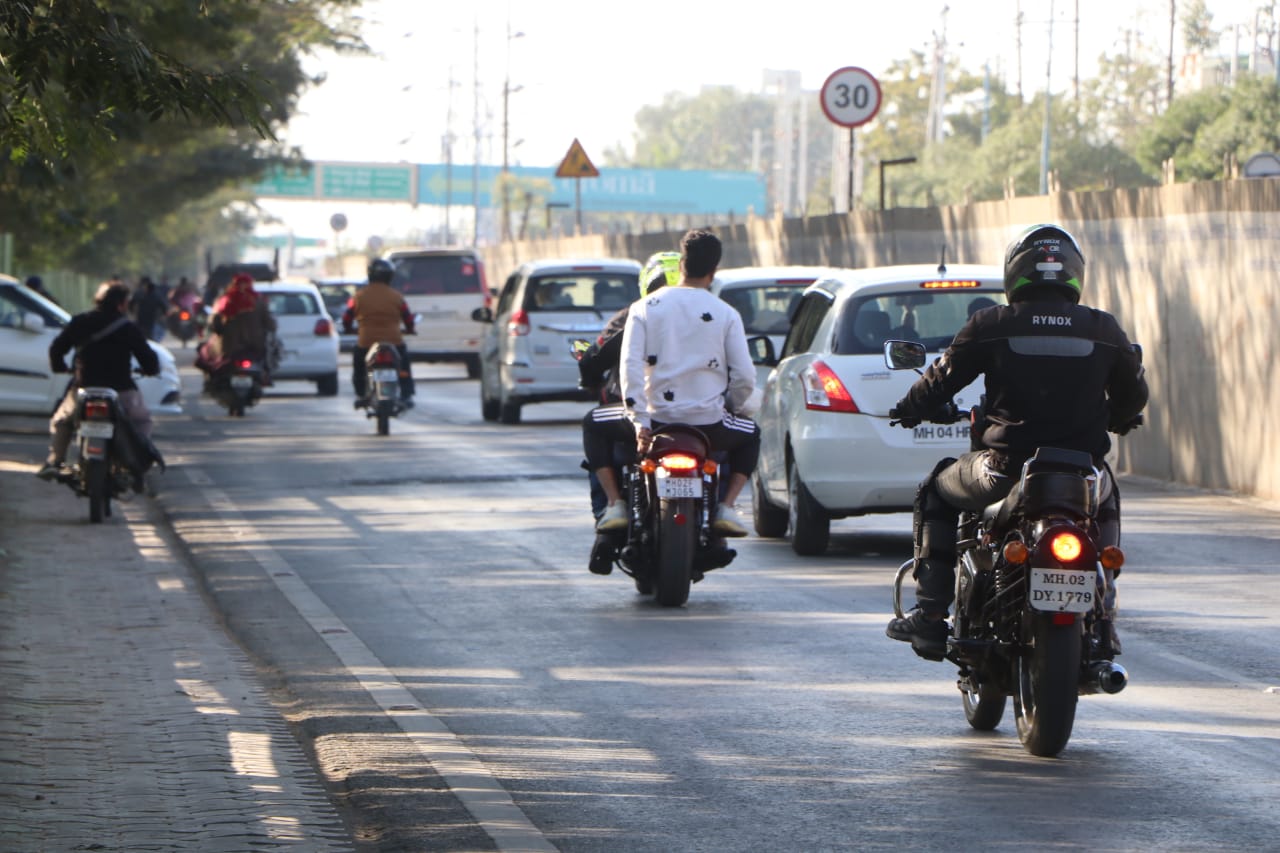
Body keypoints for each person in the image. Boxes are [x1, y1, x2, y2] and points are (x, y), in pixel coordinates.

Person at [884, 224, 1149, 660]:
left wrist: (909, 408)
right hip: (1083, 475)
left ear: (1015, 273)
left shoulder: (990, 324)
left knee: (936, 489)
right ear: (1074, 275)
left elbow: (938, 383)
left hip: (1004, 471)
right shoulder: (1104, 329)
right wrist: (1122, 418)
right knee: (1108, 494)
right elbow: (1134, 396)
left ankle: (930, 617)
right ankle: (1104, 617)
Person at [614, 228, 761, 537]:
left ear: (681, 263)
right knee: (751, 435)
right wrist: (731, 406)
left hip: (655, 421)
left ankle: (615, 505)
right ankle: (727, 506)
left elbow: (630, 367)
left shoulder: (644, 308)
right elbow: (745, 376)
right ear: (714, 271)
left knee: (596, 426)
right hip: (708, 424)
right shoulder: (725, 314)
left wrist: (640, 422)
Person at [578, 252, 679, 572]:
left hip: (638, 416)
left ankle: (610, 512)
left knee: (596, 429)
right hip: (695, 416)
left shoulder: (632, 316)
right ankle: (720, 513)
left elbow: (596, 359)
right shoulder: (710, 315)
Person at [36, 281, 160, 483]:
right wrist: (150, 370)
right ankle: (138, 462)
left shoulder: (79, 322)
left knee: (62, 422)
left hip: (84, 387)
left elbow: (56, 349)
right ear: (122, 304)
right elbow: (149, 359)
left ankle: (55, 460)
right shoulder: (127, 327)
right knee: (142, 420)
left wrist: (59, 367)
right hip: (121, 389)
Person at [342, 258, 416, 407]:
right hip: (394, 340)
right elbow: (408, 318)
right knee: (404, 366)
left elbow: (346, 317)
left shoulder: (358, 297)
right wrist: (410, 330)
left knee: (359, 366)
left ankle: (361, 393)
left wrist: (349, 329)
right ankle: (407, 394)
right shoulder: (397, 296)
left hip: (366, 342)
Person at [197, 273, 276, 380]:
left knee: (206, 355)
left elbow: (215, 321)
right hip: (255, 346)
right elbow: (270, 324)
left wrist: (218, 330)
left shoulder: (225, 301)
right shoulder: (259, 301)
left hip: (228, 347)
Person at [129, 276, 168, 342]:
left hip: (143, 318)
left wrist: (132, 312)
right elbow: (163, 307)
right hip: (150, 319)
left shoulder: (139, 293)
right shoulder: (155, 295)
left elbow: (131, 304)